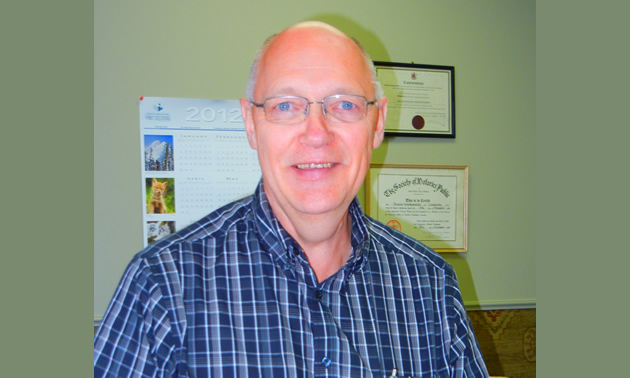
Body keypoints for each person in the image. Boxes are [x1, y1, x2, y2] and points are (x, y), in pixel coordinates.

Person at [94, 21, 488, 377]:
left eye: (344, 105)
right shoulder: (163, 285)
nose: (317, 133)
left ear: (377, 124)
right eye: (286, 106)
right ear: (251, 123)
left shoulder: (429, 285)